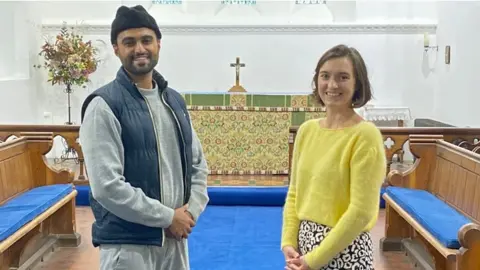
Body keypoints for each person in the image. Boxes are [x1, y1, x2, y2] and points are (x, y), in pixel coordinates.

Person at [79, 5, 209, 270]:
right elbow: (107, 186)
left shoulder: (174, 101)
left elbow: (198, 165)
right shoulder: (103, 106)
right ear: (116, 49)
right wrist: (166, 217)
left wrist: (188, 214)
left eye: (146, 40)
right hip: (129, 246)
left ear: (159, 44)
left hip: (175, 241)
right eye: (129, 42)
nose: (139, 48)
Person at [281, 44, 386, 270]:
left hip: (346, 250)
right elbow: (295, 192)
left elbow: (361, 212)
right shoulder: (307, 130)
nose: (332, 85)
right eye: (325, 76)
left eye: (343, 77)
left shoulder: (365, 136)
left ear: (357, 84)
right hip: (303, 248)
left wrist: (314, 259)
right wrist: (289, 241)